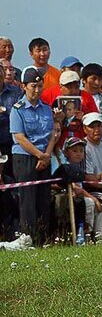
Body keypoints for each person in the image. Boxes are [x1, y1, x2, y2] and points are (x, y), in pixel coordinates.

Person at [9, 67, 61, 244]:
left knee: (44, 199)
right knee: (28, 200)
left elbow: (52, 134)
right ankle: (28, 238)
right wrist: (40, 155)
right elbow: (19, 137)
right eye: (33, 86)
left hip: (44, 157)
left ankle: (43, 238)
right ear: (24, 86)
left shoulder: (46, 108)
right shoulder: (18, 109)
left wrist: (46, 155)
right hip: (25, 157)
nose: (37, 90)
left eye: (40, 86)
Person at [0, 64, 24, 176]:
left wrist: (4, 113)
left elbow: (21, 115)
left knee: (12, 182)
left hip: (11, 145)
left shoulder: (16, 92)